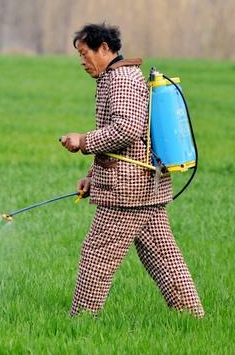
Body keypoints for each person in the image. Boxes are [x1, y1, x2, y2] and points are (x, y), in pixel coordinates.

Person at [60, 23, 204, 317]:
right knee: (163, 256)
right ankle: (192, 317)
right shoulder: (117, 77)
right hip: (144, 186)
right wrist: (91, 177)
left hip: (128, 191)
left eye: (85, 54)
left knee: (96, 255)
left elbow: (127, 129)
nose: (82, 62)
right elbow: (123, 142)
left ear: (104, 48)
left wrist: (83, 140)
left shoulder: (121, 79)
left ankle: (80, 321)